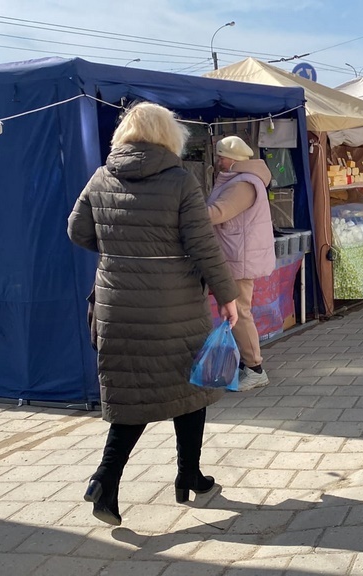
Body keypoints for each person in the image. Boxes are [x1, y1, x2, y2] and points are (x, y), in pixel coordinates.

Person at [68, 102, 241, 527]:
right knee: (192, 386)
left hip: (117, 304)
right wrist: (228, 296)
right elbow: (203, 246)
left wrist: (123, 254)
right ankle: (177, 475)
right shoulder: (180, 181)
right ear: (169, 135)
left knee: (135, 394)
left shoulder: (101, 176)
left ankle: (121, 481)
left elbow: (77, 230)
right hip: (173, 305)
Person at [207, 136, 276, 391]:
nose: (218, 161)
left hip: (239, 258)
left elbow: (218, 212)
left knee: (240, 313)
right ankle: (246, 364)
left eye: (221, 156)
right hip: (236, 254)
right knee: (238, 312)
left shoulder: (243, 184)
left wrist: (184, 212)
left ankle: (255, 368)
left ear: (233, 159)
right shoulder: (241, 179)